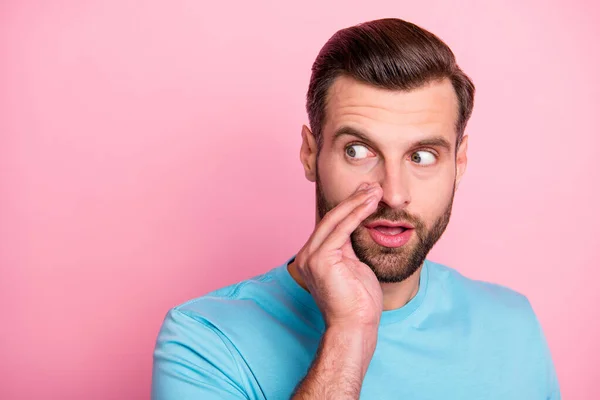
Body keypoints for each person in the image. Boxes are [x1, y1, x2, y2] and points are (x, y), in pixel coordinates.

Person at [151, 18, 560, 399]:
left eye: (422, 156)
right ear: (311, 155)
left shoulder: (513, 324)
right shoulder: (205, 339)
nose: (393, 194)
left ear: (460, 163)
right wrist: (349, 333)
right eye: (358, 150)